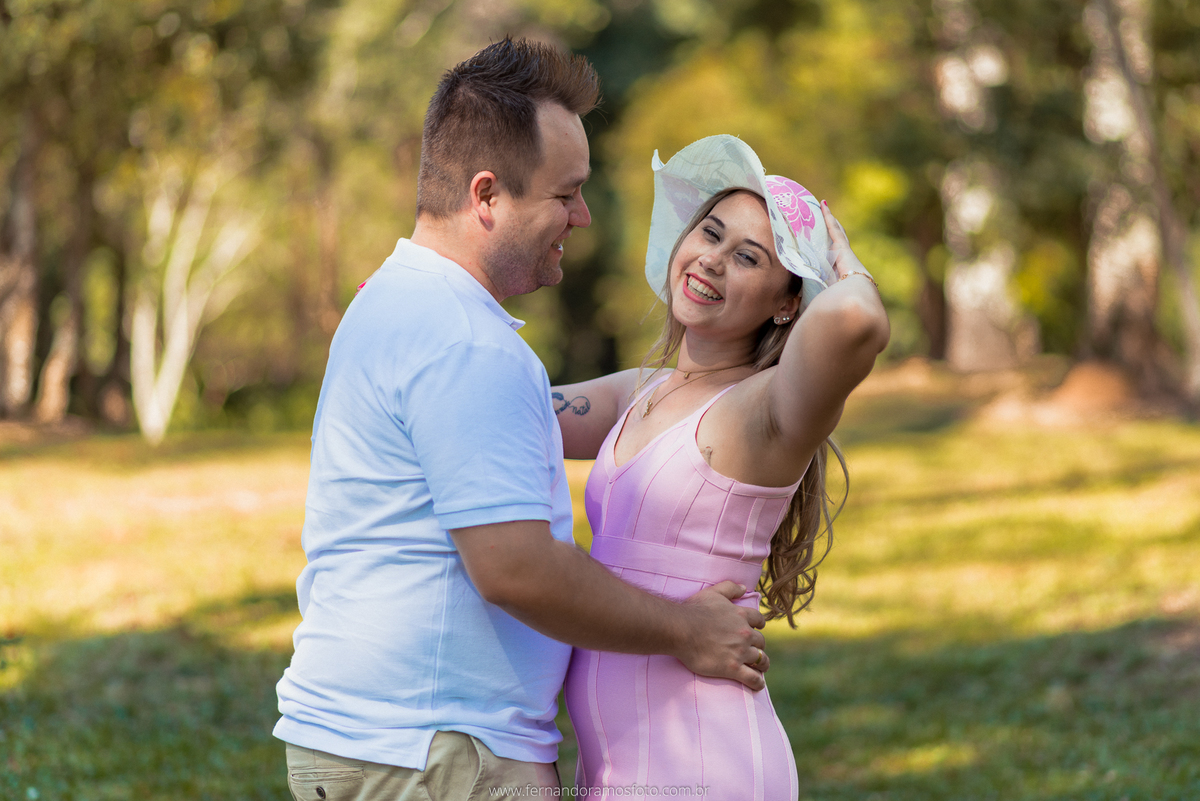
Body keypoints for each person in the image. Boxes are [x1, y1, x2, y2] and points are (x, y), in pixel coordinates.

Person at [273, 43, 772, 800]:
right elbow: (516, 569)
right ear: (487, 196)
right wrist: (686, 630)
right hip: (440, 754)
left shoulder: (397, 301)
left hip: (369, 736)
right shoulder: (470, 345)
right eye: (566, 193)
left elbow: (537, 420)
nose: (583, 214)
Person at [551, 135, 890, 797]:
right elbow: (506, 409)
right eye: (709, 233)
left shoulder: (764, 412)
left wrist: (839, 254)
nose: (711, 259)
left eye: (748, 257)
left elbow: (856, 320)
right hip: (618, 765)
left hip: (703, 764)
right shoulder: (640, 391)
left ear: (786, 301)